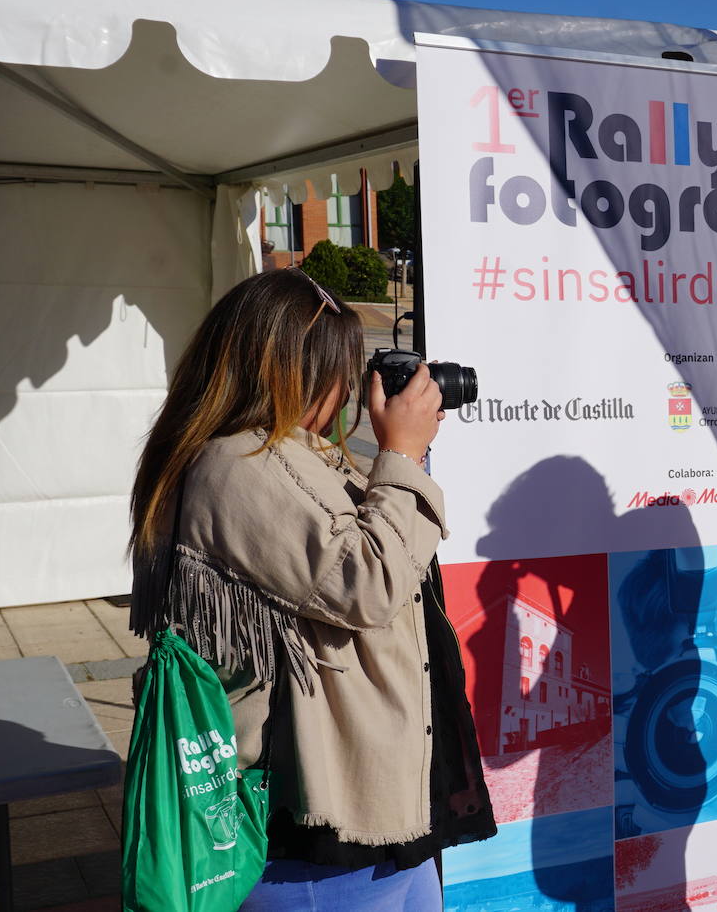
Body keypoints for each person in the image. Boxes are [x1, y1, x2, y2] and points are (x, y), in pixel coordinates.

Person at [128, 268, 495, 910]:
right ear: (288, 370)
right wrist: (402, 455)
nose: (347, 387)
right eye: (337, 368)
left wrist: (400, 458)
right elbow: (367, 582)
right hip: (322, 833)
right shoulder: (235, 465)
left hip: (383, 813)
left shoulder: (296, 454)